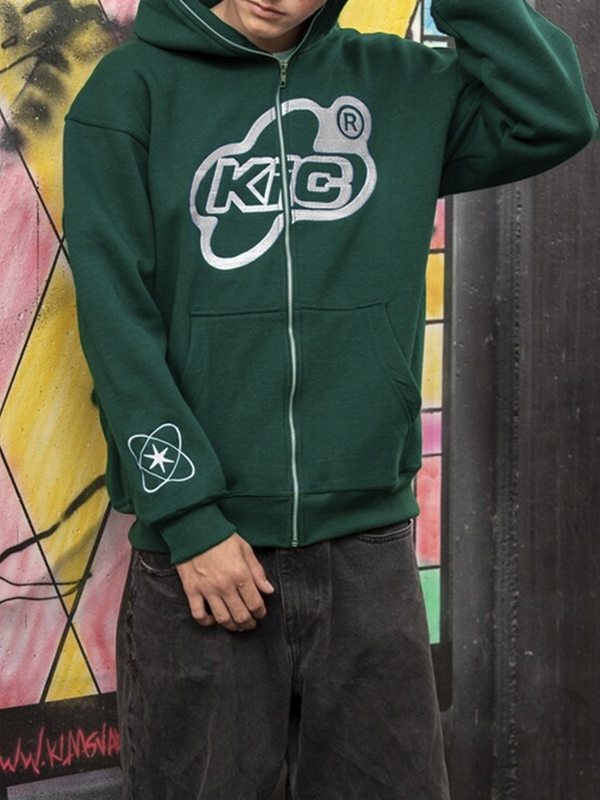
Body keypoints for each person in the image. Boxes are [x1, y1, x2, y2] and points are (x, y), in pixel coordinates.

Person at [62, 0, 597, 797]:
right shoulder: (128, 91)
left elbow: (555, 115)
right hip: (205, 556)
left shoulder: (402, 85)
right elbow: (115, 320)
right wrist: (189, 518)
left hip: (368, 554)